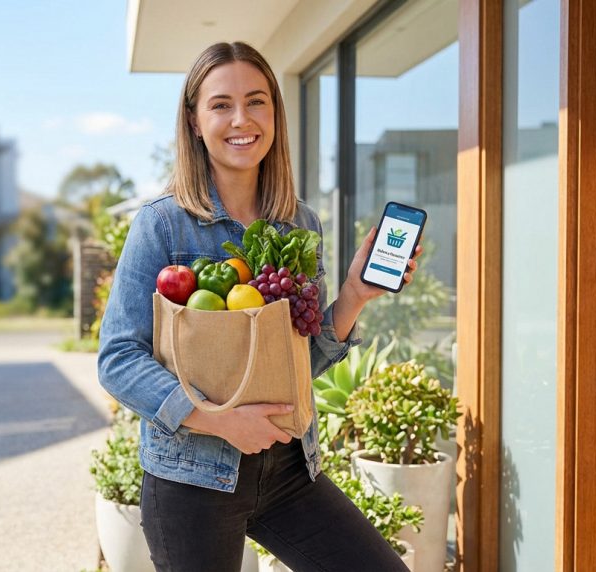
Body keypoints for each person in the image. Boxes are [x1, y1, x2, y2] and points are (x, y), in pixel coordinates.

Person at [97, 41, 422, 572]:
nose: (241, 119)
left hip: (290, 473)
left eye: (256, 101)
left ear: (275, 113)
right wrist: (216, 419)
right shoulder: (162, 225)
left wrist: (355, 295)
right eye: (221, 104)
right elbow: (117, 359)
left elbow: (302, 360)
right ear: (195, 121)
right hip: (193, 479)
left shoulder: (300, 224)